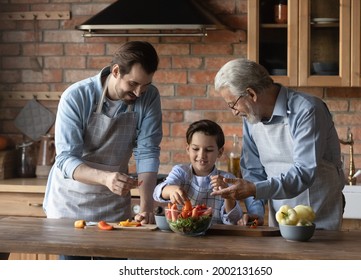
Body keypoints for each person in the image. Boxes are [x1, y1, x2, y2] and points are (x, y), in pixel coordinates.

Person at [43, 41, 162, 259]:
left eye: (144, 86)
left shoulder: (149, 96)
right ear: (116, 71)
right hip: (71, 204)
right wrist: (106, 178)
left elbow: (147, 151)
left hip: (113, 206)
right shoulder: (76, 96)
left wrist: (146, 207)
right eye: (133, 84)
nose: (139, 92)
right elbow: (66, 159)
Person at [211, 58, 345, 230]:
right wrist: (256, 210)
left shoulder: (307, 110)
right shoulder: (252, 117)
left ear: (251, 94)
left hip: (320, 214)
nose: (234, 112)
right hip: (280, 217)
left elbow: (304, 172)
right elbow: (253, 171)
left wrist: (254, 189)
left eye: (233, 104)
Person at [154, 119, 251, 225]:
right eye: (195, 149)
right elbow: (158, 192)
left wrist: (227, 195)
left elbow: (234, 220)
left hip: (218, 238)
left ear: (220, 152)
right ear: (188, 149)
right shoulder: (181, 172)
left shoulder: (227, 178)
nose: (201, 155)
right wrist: (171, 190)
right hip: (183, 235)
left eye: (208, 150)